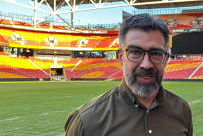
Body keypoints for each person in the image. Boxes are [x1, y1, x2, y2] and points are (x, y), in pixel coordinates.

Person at [64, 13, 193, 136]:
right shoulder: (86, 120)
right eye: (135, 52)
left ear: (166, 59)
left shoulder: (182, 111)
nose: (146, 64)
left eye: (156, 53)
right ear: (121, 57)